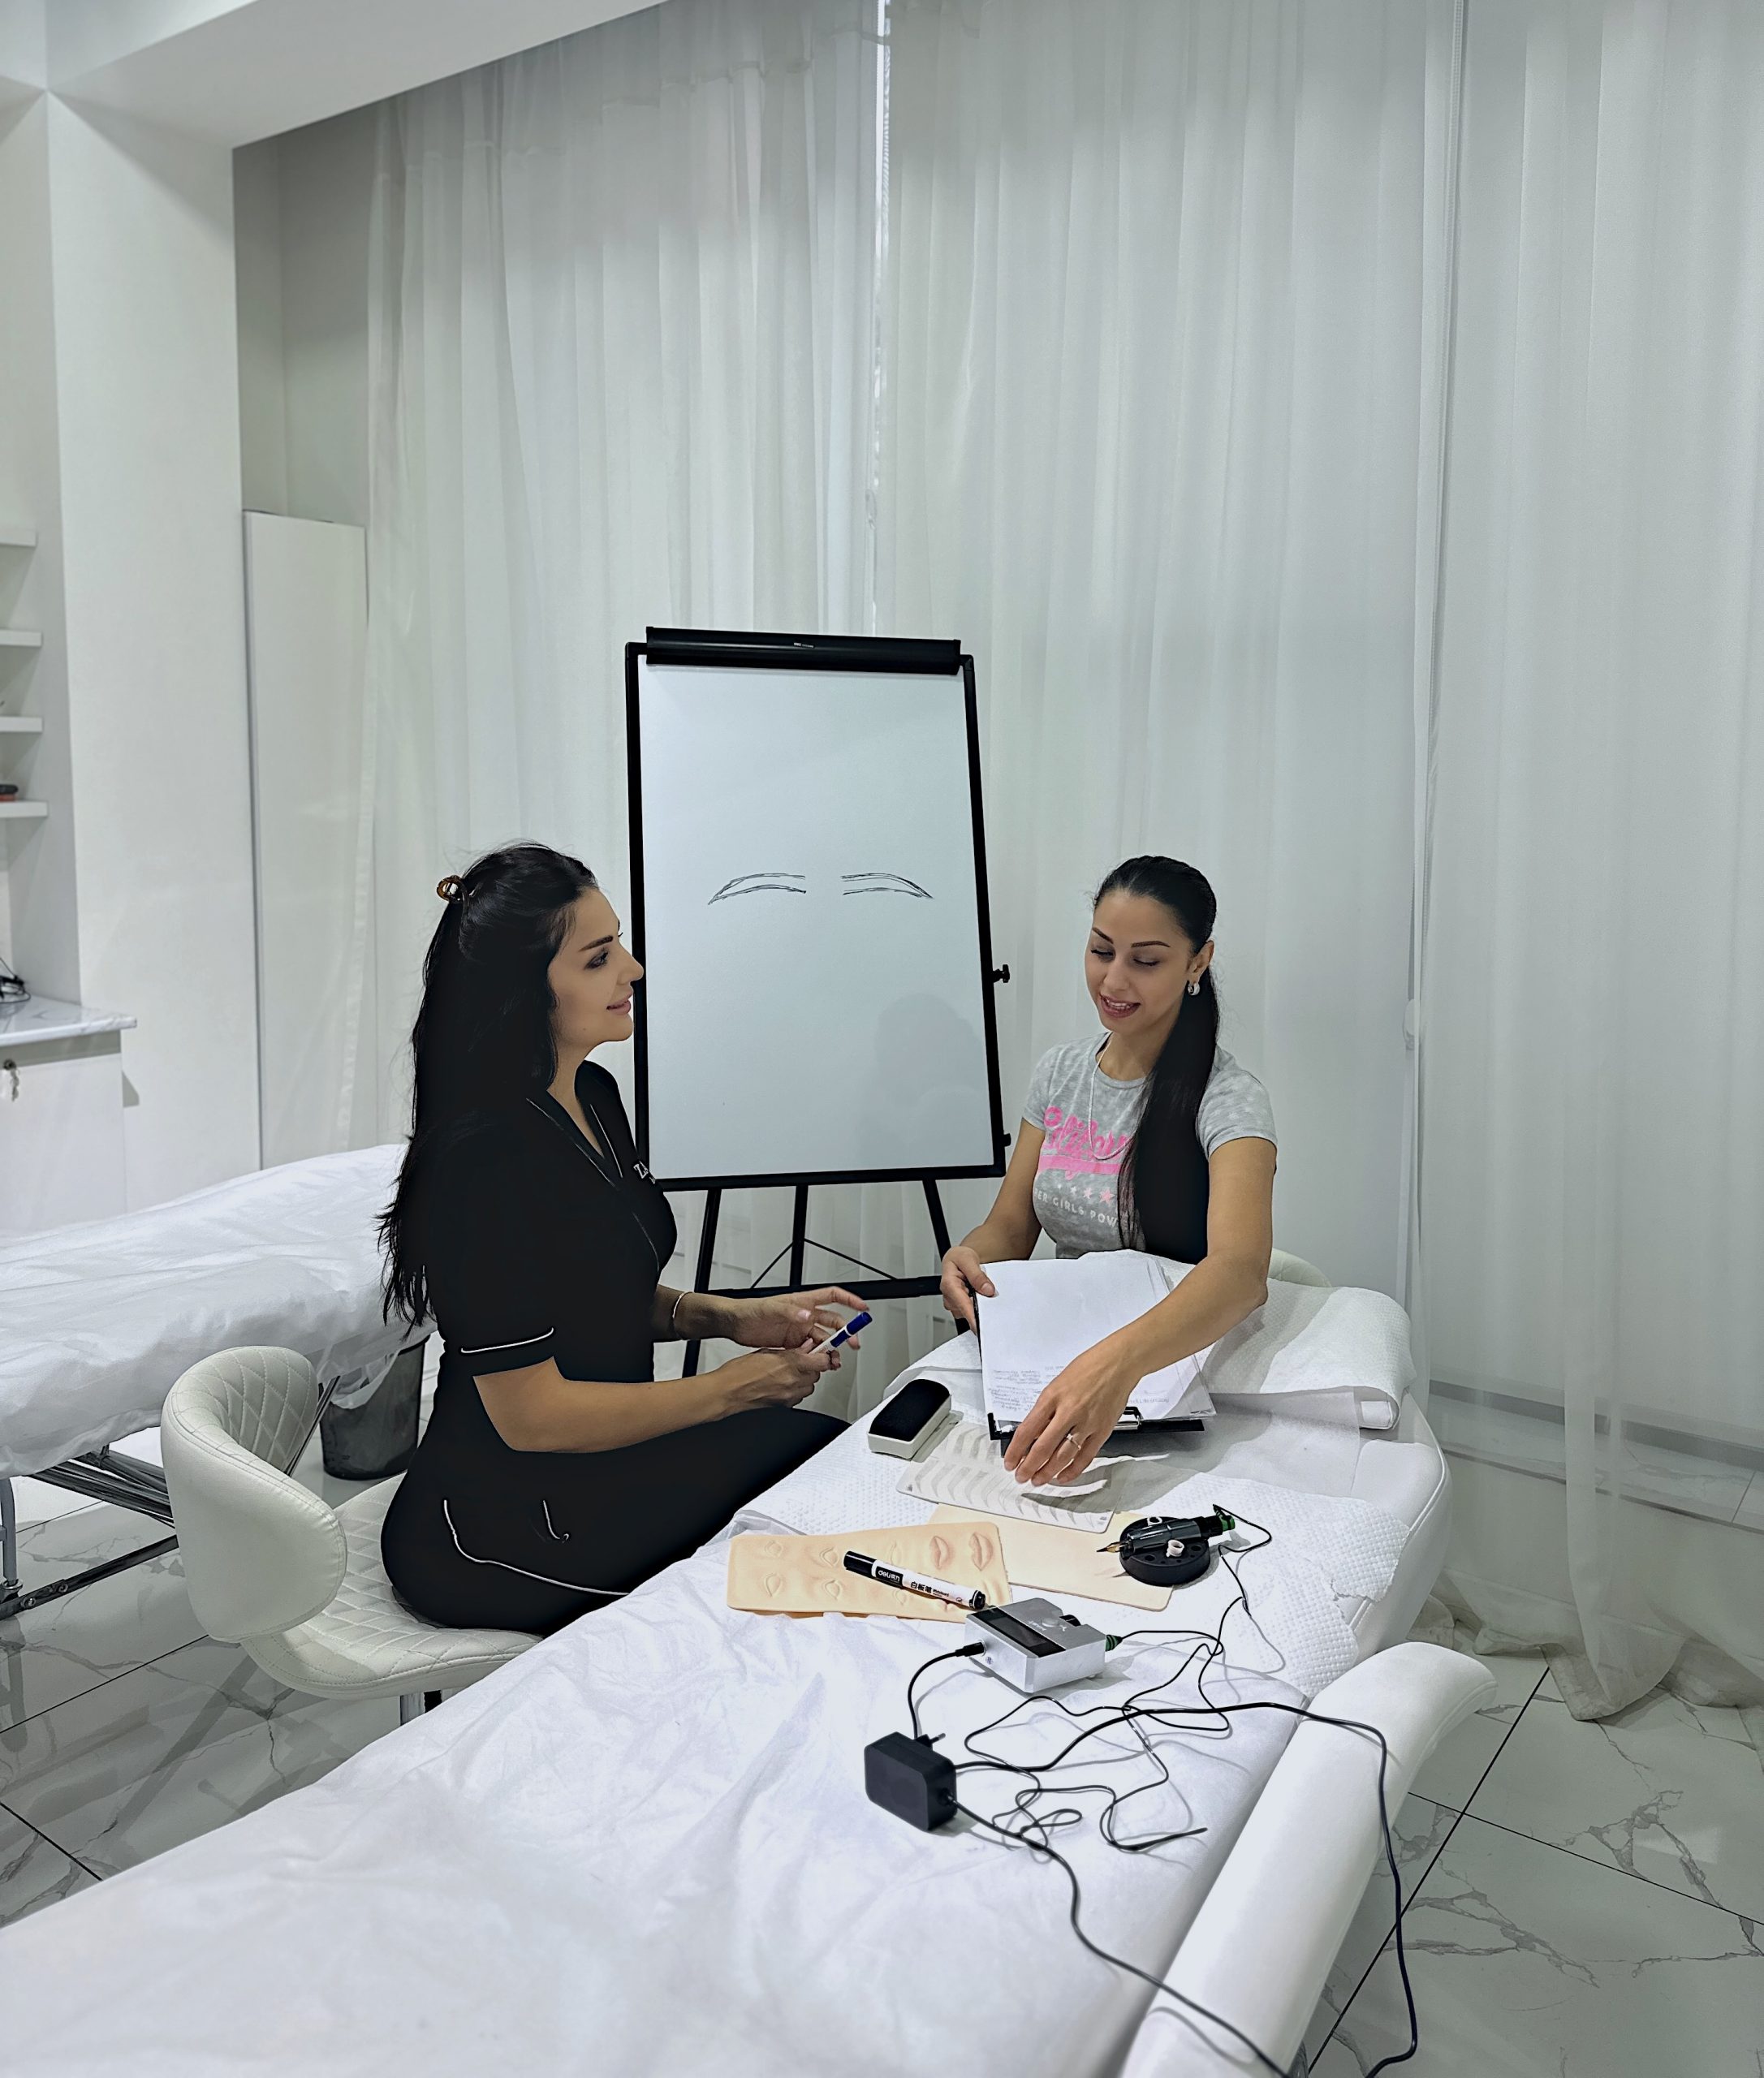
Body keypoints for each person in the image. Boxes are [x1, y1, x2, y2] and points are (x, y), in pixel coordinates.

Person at [379, 843, 854, 1633]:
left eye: (620, 946)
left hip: (611, 1460)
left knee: (832, 1464)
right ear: (521, 990)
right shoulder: (482, 1162)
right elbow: (533, 1417)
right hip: (501, 1521)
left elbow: (594, 1286)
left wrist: (731, 1318)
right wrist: (734, 1389)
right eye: (598, 959)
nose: (632, 970)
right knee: (793, 1541)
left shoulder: (593, 1095)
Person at [939, 856, 1276, 1490]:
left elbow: (1239, 1275)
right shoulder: (1060, 1073)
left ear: (1198, 962)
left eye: (1145, 961)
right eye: (1100, 951)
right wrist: (969, 1259)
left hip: (1166, 1365)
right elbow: (1010, 1227)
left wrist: (1113, 1366)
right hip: (1052, 1355)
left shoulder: (1229, 1099)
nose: (1112, 980)